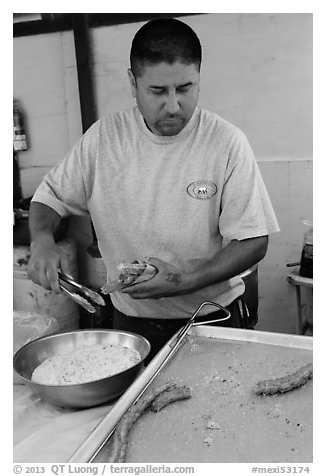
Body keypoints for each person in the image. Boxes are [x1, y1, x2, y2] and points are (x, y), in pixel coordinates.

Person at [27, 17, 279, 359]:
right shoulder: (103, 139)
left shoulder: (226, 143)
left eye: (185, 88)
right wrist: (42, 240)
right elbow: (49, 198)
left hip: (211, 319)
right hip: (131, 323)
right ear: (133, 82)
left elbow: (254, 240)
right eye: (157, 91)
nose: (174, 106)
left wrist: (187, 279)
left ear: (199, 78)